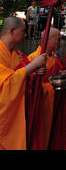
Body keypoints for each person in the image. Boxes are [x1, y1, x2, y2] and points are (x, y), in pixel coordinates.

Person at [0, 17, 47, 149]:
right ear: (12, 31)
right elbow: (7, 83)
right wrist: (32, 66)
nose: (25, 34)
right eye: (23, 31)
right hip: (4, 117)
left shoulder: (17, 54)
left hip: (19, 113)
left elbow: (25, 76)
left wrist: (35, 72)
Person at [28, 28, 62, 149]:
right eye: (58, 40)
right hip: (41, 104)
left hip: (54, 102)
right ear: (48, 40)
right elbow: (28, 83)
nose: (60, 43)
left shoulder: (56, 59)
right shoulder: (33, 58)